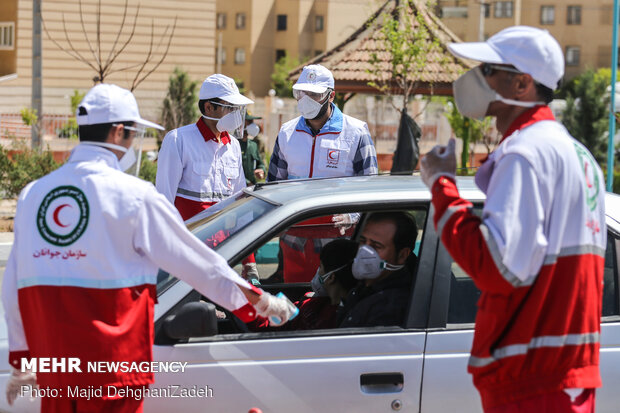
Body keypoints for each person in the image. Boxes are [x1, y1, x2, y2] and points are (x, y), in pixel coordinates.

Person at [1, 84, 296, 412]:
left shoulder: (33, 195)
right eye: (133, 133)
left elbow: (14, 283)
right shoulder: (135, 196)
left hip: (56, 372)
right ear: (118, 132)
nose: (134, 143)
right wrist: (259, 304)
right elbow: (198, 264)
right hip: (114, 372)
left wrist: (22, 358)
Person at [420, 26, 606, 413]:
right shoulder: (578, 154)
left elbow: (495, 266)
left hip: (531, 380)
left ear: (521, 84)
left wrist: (442, 184)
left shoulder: (526, 153)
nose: (476, 78)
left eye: (487, 69)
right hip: (563, 374)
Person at [267, 64, 379, 282]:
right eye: (301, 93)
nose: (305, 99)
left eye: (314, 94)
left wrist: (353, 216)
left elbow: (370, 188)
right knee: (297, 302)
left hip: (338, 243)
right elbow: (274, 185)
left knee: (335, 303)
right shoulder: (287, 132)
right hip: (294, 241)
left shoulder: (355, 132)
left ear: (331, 96)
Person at [156, 73, 252, 221]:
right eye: (229, 107)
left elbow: (239, 198)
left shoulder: (233, 146)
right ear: (208, 107)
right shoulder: (178, 140)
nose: (235, 114)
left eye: (236, 108)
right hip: (188, 238)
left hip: (224, 240)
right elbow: (164, 198)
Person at [249, 238, 358, 331]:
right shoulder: (311, 302)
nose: (317, 271)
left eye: (321, 267)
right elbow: (277, 321)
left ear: (331, 277)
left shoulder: (345, 319)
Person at [338, 212, 418, 328]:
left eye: (376, 246)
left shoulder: (392, 306)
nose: (364, 251)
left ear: (402, 255)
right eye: (363, 241)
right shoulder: (362, 290)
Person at [241, 112, 266, 186]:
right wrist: (247, 182)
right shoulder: (233, 144)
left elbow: (260, 163)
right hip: (239, 188)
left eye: (252, 122)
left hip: (252, 188)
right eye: (249, 122)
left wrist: (261, 170)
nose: (253, 125)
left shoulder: (253, 145)